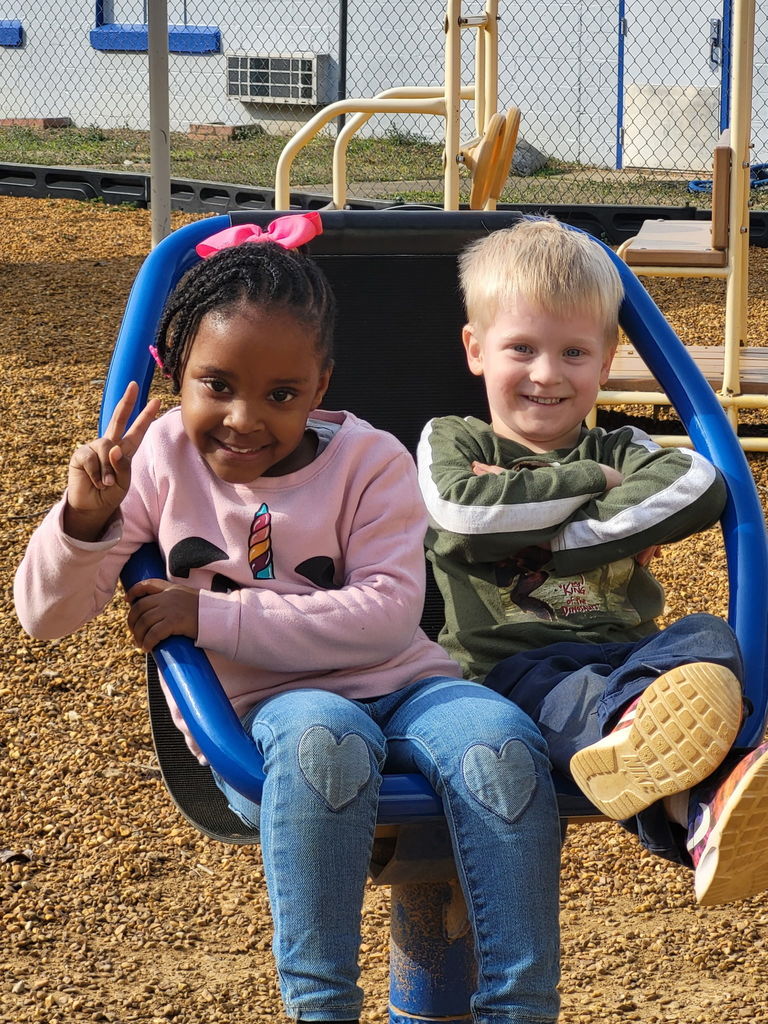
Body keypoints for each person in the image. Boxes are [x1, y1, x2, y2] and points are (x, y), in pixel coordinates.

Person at [15, 212, 563, 1024]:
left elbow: (386, 617)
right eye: (218, 386)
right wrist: (84, 520)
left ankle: (521, 1010)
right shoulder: (158, 460)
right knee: (324, 739)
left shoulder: (370, 460)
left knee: (504, 745)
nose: (245, 419)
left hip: (407, 686)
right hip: (269, 713)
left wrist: (213, 617)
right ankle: (322, 1012)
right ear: (177, 374)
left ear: (322, 386)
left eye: (281, 395)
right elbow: (45, 619)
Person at [417, 215, 768, 907]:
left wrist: (544, 537)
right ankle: (681, 779)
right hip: (510, 668)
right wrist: (587, 489)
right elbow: (463, 512)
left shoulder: (623, 448)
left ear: (607, 360)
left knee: (706, 636)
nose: (547, 375)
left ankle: (692, 804)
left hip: (629, 657)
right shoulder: (451, 437)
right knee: (569, 693)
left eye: (574, 353)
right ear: (475, 349)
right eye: (521, 348)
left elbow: (699, 485)